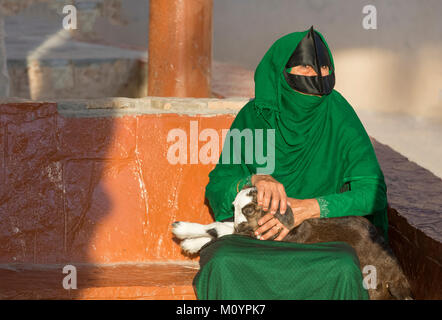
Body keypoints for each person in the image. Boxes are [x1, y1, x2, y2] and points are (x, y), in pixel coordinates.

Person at [193, 27, 388, 300]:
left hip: (322, 238)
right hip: (258, 238)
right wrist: (255, 179)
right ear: (280, 73)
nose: (317, 76)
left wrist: (307, 209)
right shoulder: (254, 117)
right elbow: (218, 189)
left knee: (343, 267)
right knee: (222, 262)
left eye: (322, 67)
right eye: (305, 67)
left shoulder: (338, 113)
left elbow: (373, 192)